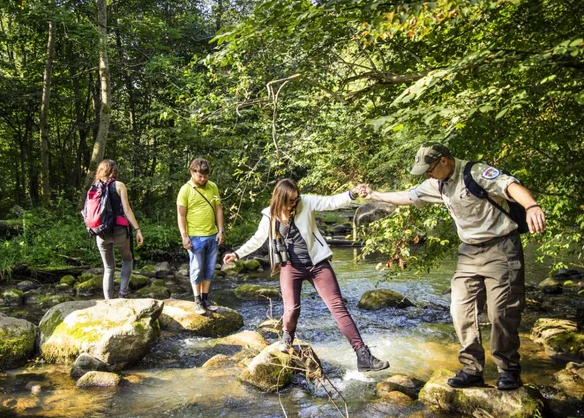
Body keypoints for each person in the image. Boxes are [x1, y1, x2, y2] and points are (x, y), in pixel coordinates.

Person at [362, 142, 546, 390]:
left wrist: (532, 206)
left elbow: (510, 186)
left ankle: (509, 371)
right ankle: (472, 370)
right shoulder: (436, 182)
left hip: (502, 248)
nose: (427, 174)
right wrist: (375, 195)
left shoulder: (476, 172)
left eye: (429, 169)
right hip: (469, 252)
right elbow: (408, 196)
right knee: (461, 311)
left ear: (444, 161)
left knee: (501, 313)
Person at [223, 178, 389, 372]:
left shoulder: (306, 202)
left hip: (317, 263)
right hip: (290, 267)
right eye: (290, 200)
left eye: (296, 199)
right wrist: (236, 254)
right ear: (280, 199)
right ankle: (287, 338)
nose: (295, 203)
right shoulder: (269, 216)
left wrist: (352, 193)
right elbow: (258, 239)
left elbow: (331, 202)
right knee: (292, 308)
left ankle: (363, 356)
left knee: (337, 307)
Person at [177, 158, 224, 315]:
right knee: (197, 269)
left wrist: (221, 230)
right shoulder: (185, 190)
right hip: (195, 236)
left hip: (212, 235)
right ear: (192, 173)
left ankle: (205, 298)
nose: (203, 179)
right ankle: (197, 300)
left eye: (206, 176)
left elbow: (218, 209)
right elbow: (181, 215)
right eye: (200, 176)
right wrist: (184, 236)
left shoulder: (213, 187)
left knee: (209, 268)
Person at [91, 160, 144, 299]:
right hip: (119, 230)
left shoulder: (94, 187)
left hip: (101, 232)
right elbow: (126, 210)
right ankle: (123, 293)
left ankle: (108, 301)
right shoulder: (119, 185)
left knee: (108, 268)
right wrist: (137, 229)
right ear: (114, 171)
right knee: (127, 259)